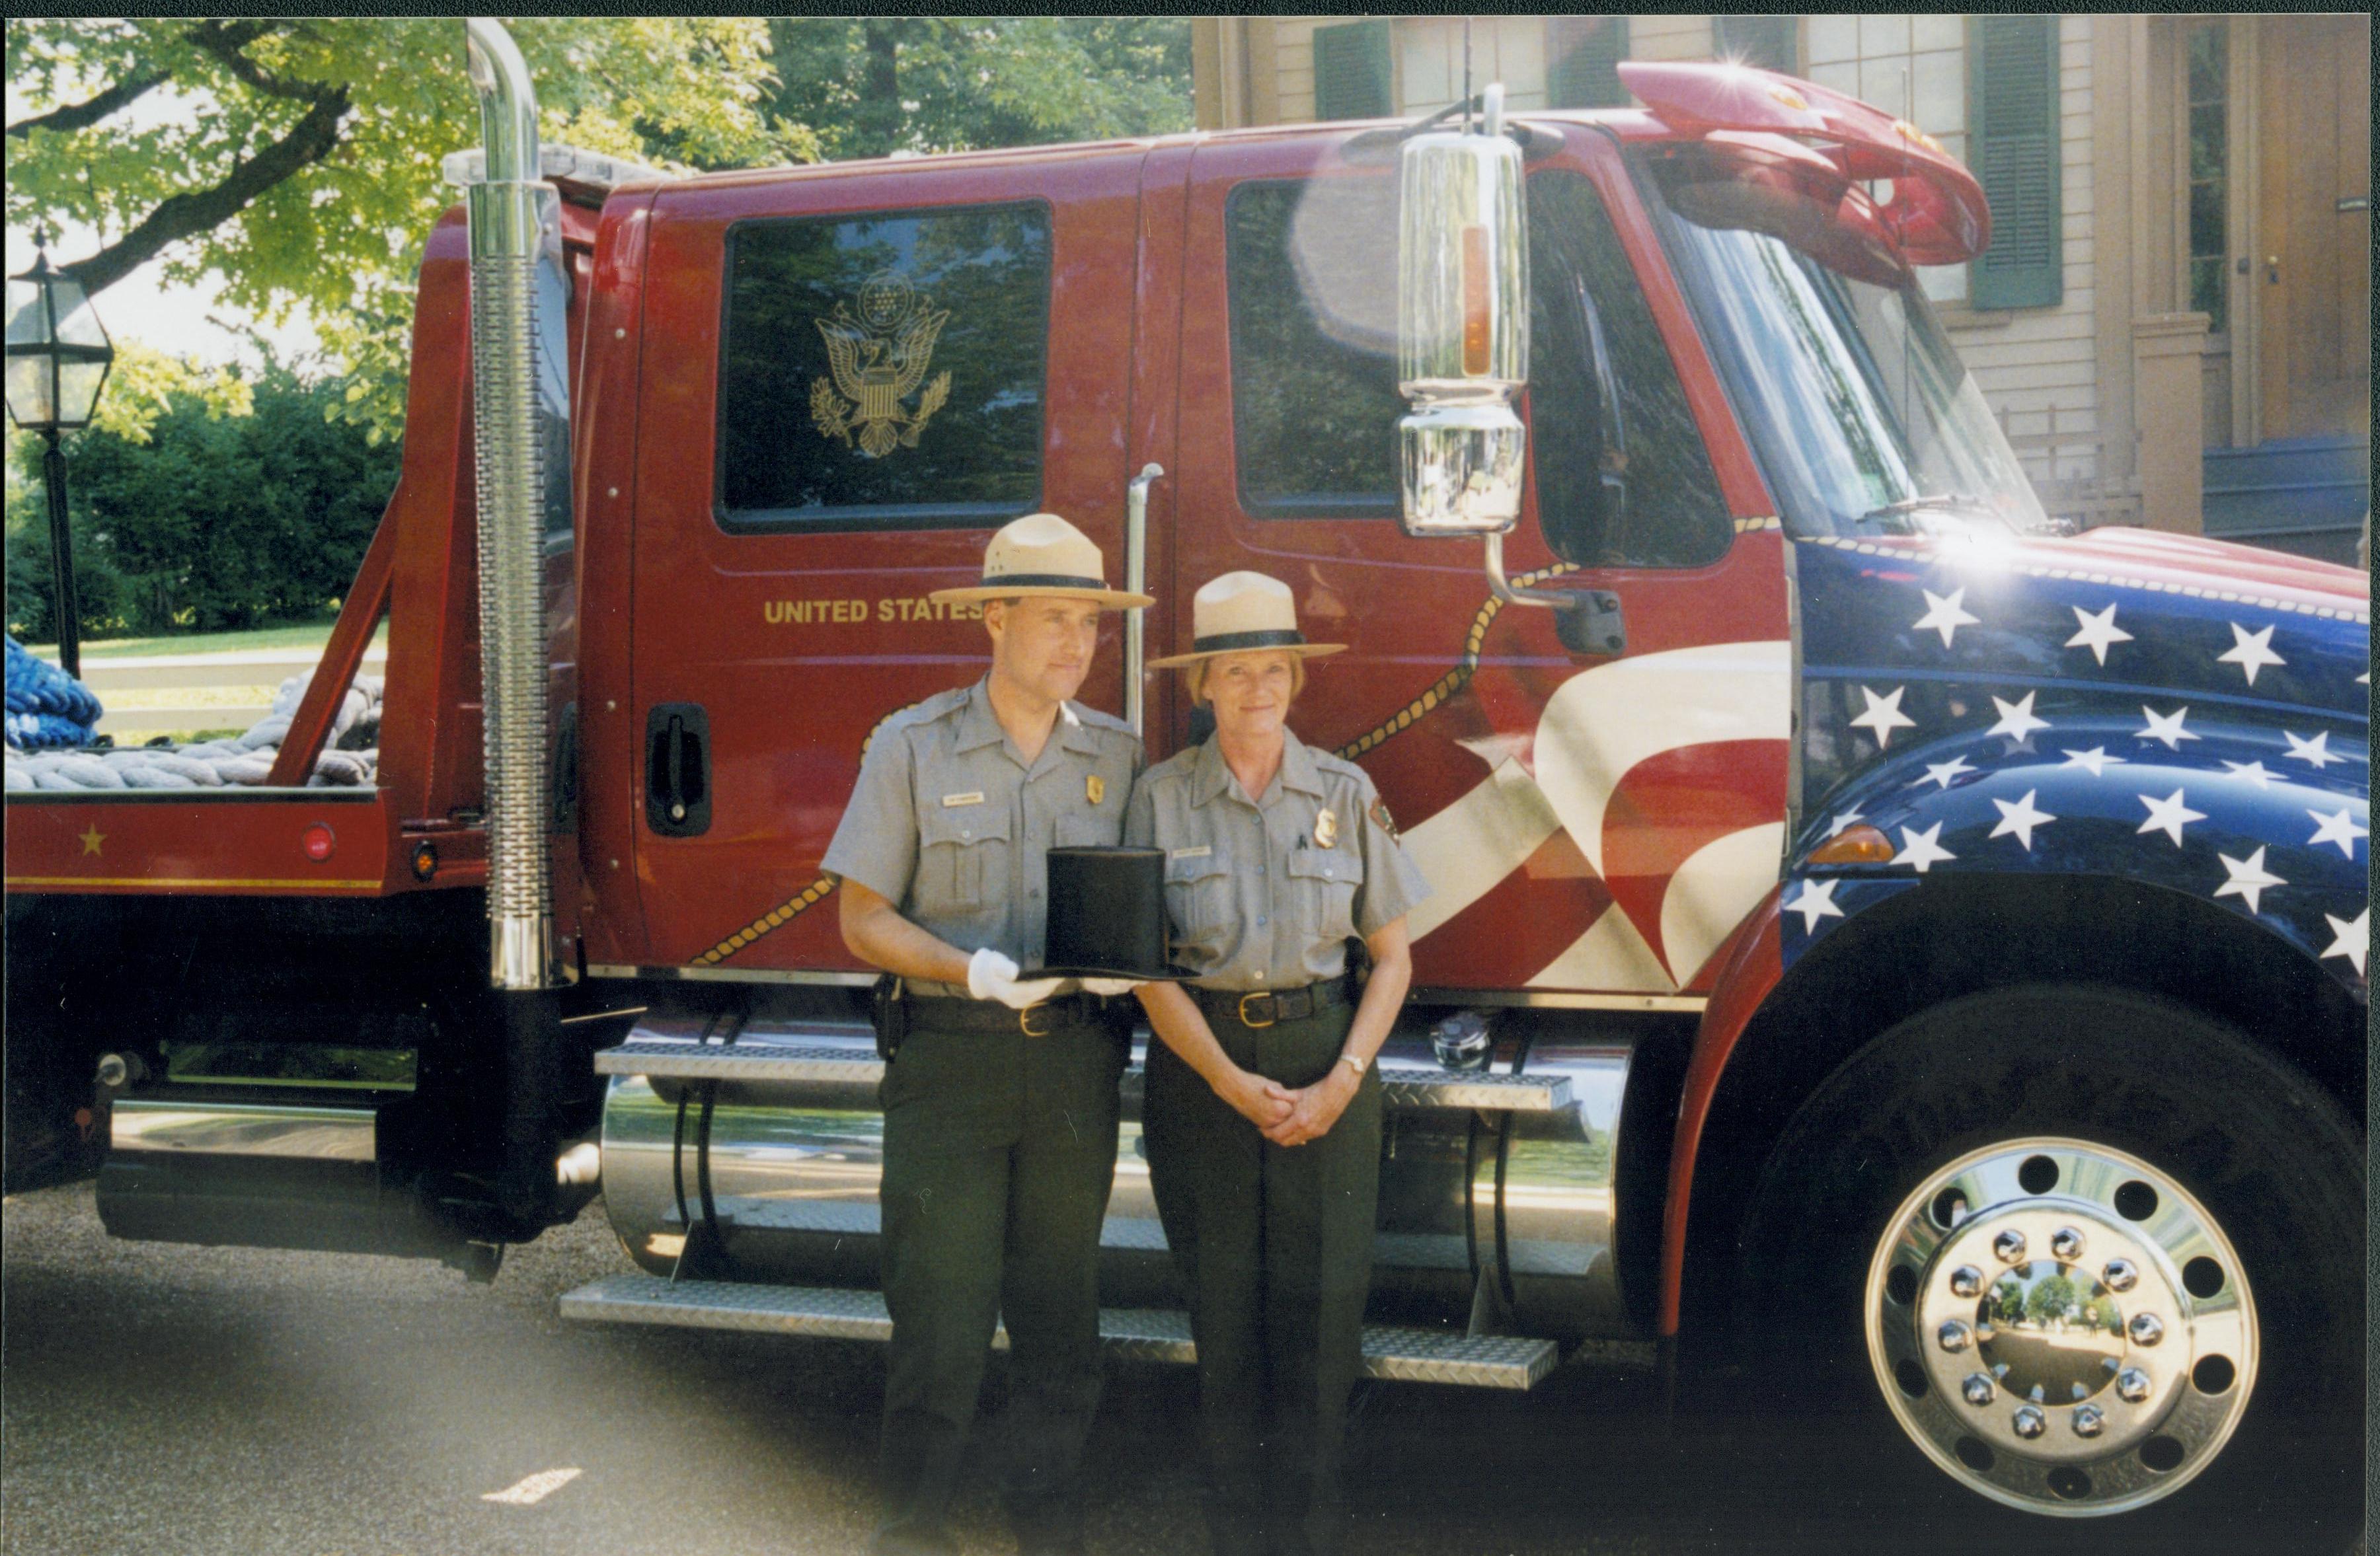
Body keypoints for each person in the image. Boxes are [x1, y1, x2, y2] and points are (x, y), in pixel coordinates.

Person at [824, 512, 1153, 1556]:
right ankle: (913, 1530)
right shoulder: (912, 745)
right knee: (940, 1315)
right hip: (950, 1063)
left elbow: (1138, 912)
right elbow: (861, 916)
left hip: (1073, 1066)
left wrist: (1124, 968)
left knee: (1062, 1314)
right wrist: (968, 968)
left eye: (1090, 625)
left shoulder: (1116, 754)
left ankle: (1046, 1526)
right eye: (1053, 618)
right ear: (993, 619)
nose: (1074, 643)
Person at [1124, 571, 1430, 1556]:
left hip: (1323, 1064)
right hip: (1203, 1074)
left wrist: (1340, 1082)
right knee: (1225, 1327)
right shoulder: (1159, 799)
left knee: (1319, 1329)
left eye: (1274, 669)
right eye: (1235, 671)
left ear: (1294, 678)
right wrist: (1222, 1079)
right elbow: (1144, 970)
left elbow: (1392, 958)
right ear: (1203, 684)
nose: (1258, 689)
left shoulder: (1346, 792)